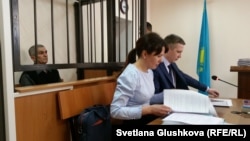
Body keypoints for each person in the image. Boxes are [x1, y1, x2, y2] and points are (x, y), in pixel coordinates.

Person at [110, 32, 172, 125]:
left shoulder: (149, 71)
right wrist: (150, 109)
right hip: (134, 122)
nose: (161, 60)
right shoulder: (130, 75)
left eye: (162, 56)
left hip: (146, 118)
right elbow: (115, 111)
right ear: (145, 54)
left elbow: (145, 98)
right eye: (158, 56)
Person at [151, 34, 219, 104]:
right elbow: (155, 95)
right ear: (167, 49)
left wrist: (207, 89)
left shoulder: (172, 64)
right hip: (164, 108)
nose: (180, 56)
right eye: (178, 52)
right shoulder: (156, 67)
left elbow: (185, 77)